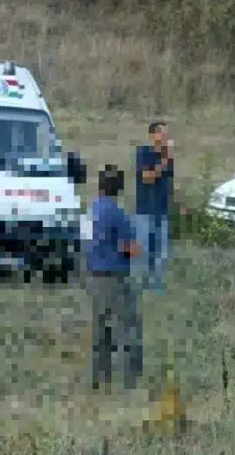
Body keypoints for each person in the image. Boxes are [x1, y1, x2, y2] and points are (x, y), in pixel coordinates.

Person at [87, 164, 144, 393]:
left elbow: (84, 242)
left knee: (101, 329)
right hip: (115, 276)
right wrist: (139, 250)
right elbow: (129, 248)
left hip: (94, 276)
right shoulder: (118, 215)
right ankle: (131, 378)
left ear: (100, 186)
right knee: (128, 326)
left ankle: (99, 377)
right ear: (118, 189)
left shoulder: (91, 211)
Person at [135, 121, 174, 291]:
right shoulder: (144, 152)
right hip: (145, 208)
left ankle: (157, 285)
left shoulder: (168, 156)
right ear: (153, 135)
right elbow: (147, 177)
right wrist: (164, 161)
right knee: (145, 249)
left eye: (167, 133)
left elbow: (168, 179)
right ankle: (142, 283)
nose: (165, 136)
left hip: (162, 209)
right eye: (162, 133)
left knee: (161, 251)